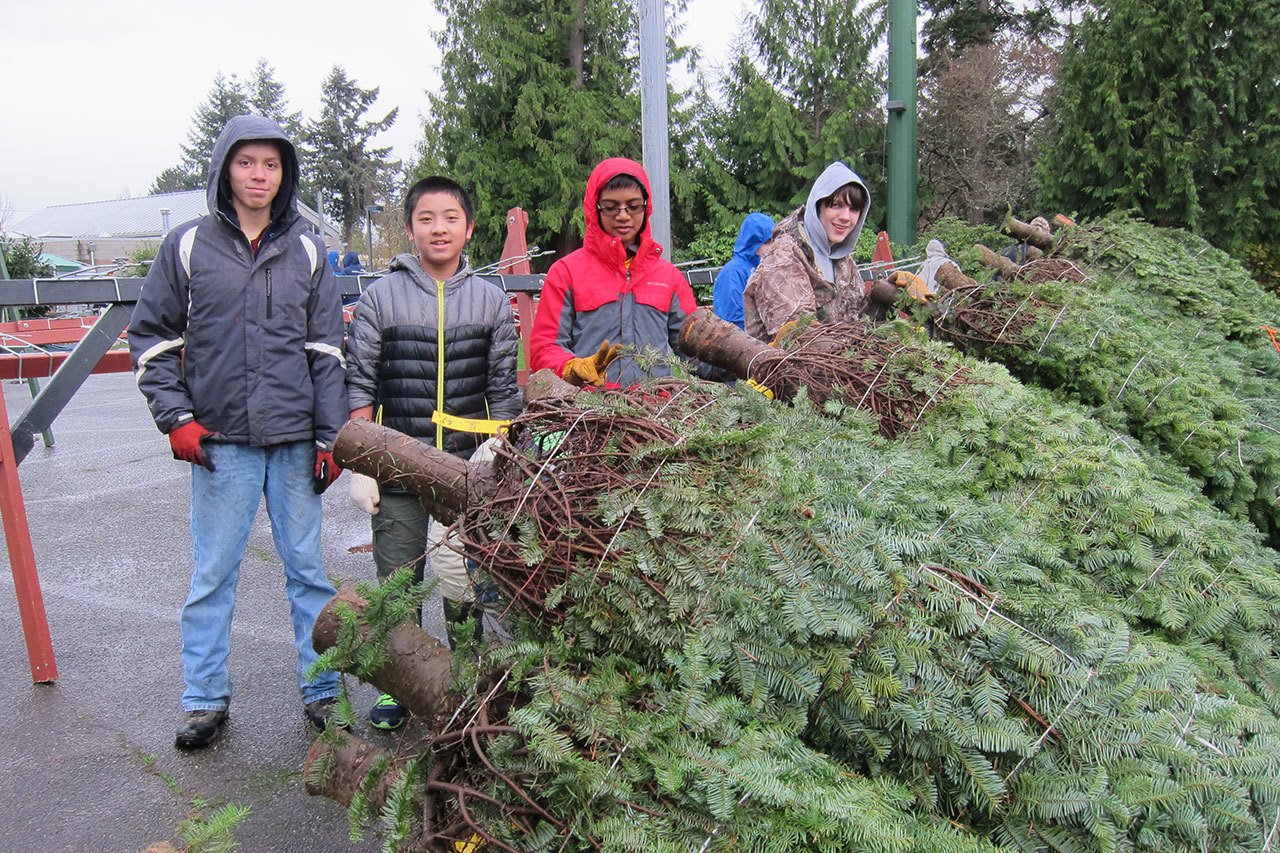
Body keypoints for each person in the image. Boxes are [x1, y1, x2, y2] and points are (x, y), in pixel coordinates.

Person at [128, 114, 349, 750]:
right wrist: (176, 418)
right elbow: (153, 339)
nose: (260, 175)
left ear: (286, 174)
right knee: (212, 574)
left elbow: (326, 352)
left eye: (272, 165)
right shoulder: (189, 246)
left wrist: (329, 438)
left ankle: (322, 689)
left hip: (293, 443)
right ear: (225, 167)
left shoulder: (308, 248)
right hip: (219, 442)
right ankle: (204, 699)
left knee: (308, 570)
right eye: (247, 162)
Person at [344, 176, 521, 731]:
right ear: (410, 228)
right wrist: (362, 464)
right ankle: (398, 686)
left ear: (468, 227)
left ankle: (464, 677)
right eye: (426, 218)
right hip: (395, 468)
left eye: (450, 218)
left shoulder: (491, 300)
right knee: (397, 579)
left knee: (459, 581)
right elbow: (360, 383)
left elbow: (505, 393)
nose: (438, 228)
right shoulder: (379, 298)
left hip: (464, 471)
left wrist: (503, 456)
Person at [529, 157, 698, 387]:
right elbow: (544, 347)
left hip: (655, 414)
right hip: (587, 414)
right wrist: (571, 367)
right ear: (594, 208)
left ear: (646, 206)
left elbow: (697, 348)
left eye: (633, 205)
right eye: (610, 207)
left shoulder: (668, 277)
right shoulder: (566, 273)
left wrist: (748, 363)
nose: (623, 215)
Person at [741, 161, 873, 342]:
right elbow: (801, 341)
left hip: (838, 367)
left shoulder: (843, 263)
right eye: (836, 205)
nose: (845, 217)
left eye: (854, 209)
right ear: (817, 206)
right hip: (789, 369)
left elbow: (857, 329)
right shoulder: (784, 258)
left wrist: (878, 303)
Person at [712, 212, 776, 330]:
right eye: (767, 242)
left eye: (774, 241)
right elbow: (732, 321)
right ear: (753, 243)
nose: (772, 247)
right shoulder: (733, 272)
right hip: (740, 344)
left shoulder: (766, 269)